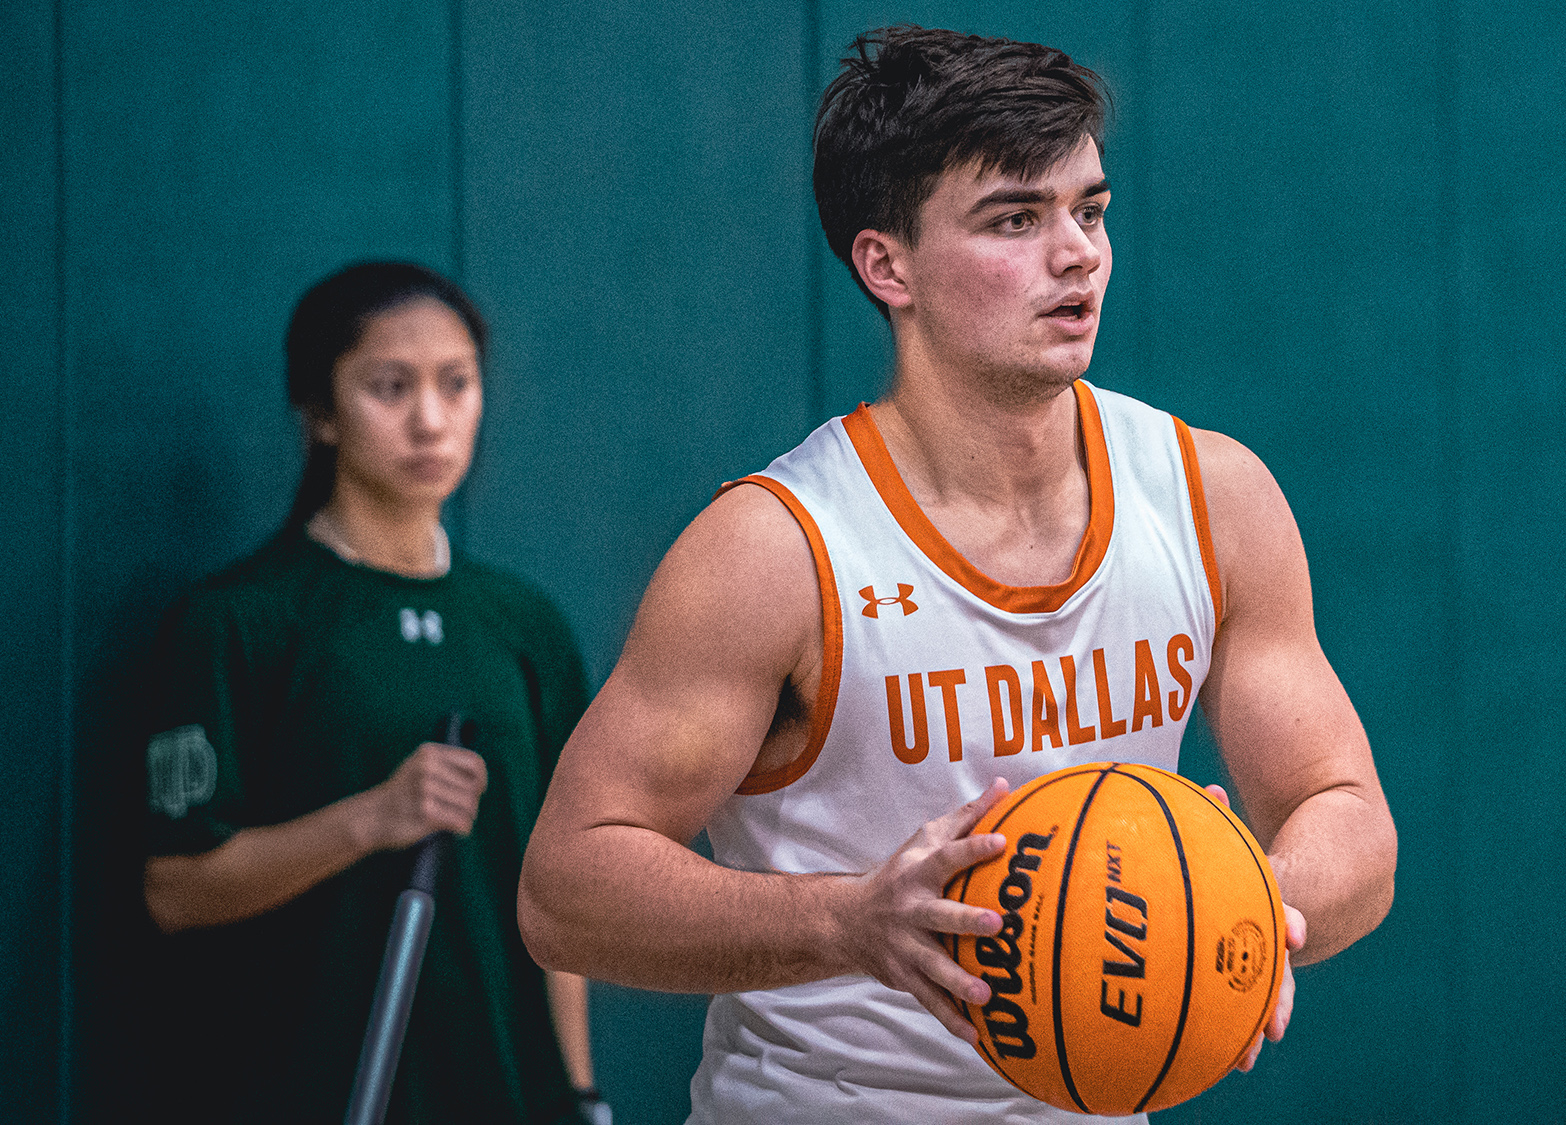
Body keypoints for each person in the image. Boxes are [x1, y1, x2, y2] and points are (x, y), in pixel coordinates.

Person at [519, 26, 1396, 1124]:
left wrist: (1237, 909)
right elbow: (566, 889)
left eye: (1089, 209)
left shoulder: (1210, 496)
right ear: (886, 264)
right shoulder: (777, 550)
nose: (1075, 253)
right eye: (1015, 220)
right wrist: (846, 922)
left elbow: (1347, 812)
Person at [141, 262, 606, 1124]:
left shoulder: (522, 623)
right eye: (390, 387)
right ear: (320, 411)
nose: (430, 419)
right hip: (308, 1089)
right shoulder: (238, 621)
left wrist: (579, 1092)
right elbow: (177, 888)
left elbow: (558, 891)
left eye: (456, 384)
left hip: (510, 1095)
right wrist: (371, 817)